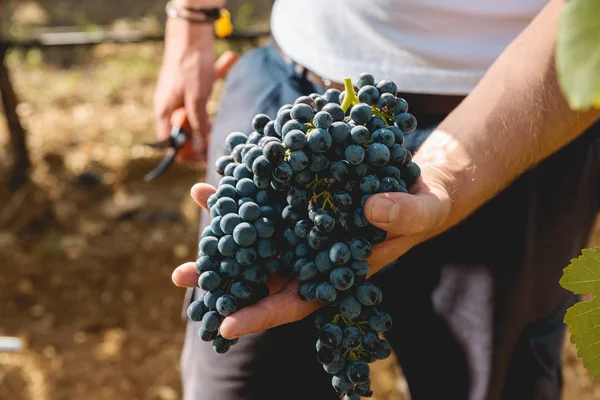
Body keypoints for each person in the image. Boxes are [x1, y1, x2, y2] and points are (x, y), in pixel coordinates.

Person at [155, 0, 600, 399]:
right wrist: (192, 16)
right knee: (236, 374)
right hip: (293, 108)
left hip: (521, 129)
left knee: (493, 383)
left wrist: (449, 171)